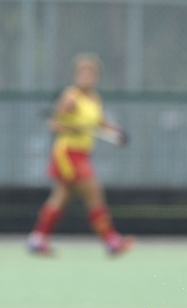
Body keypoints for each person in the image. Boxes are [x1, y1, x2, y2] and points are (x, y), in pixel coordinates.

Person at [27, 53, 135, 256]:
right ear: (76, 75)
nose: (86, 76)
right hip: (68, 153)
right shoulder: (70, 97)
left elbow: (100, 124)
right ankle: (111, 241)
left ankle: (37, 239)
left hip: (83, 153)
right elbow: (54, 124)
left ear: (96, 77)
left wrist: (116, 132)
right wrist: (72, 130)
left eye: (90, 72)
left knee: (60, 197)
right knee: (94, 192)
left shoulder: (94, 99)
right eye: (82, 72)